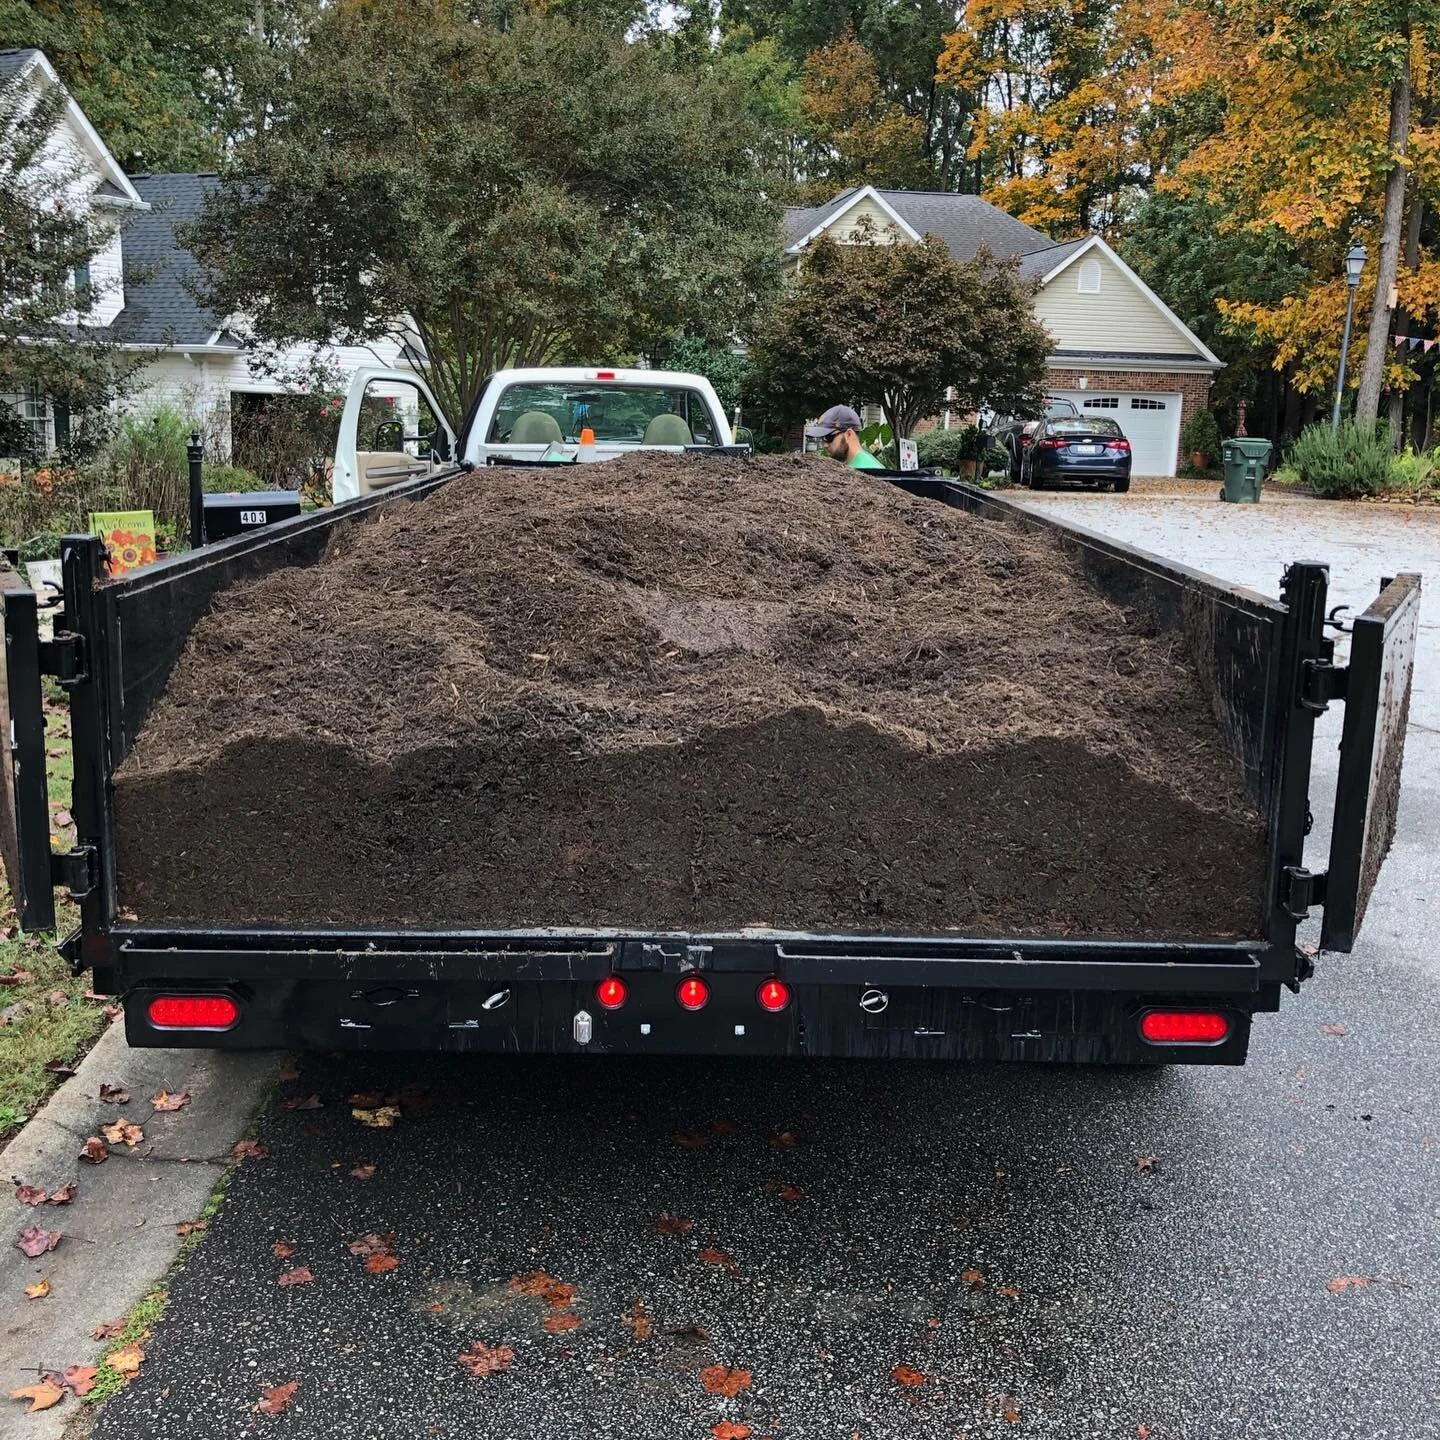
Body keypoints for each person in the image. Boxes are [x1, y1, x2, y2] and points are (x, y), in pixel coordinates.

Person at [805, 405, 884, 469]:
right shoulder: (851, 466)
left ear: (849, 434)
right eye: (822, 438)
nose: (824, 445)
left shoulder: (868, 471)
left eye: (828, 437)